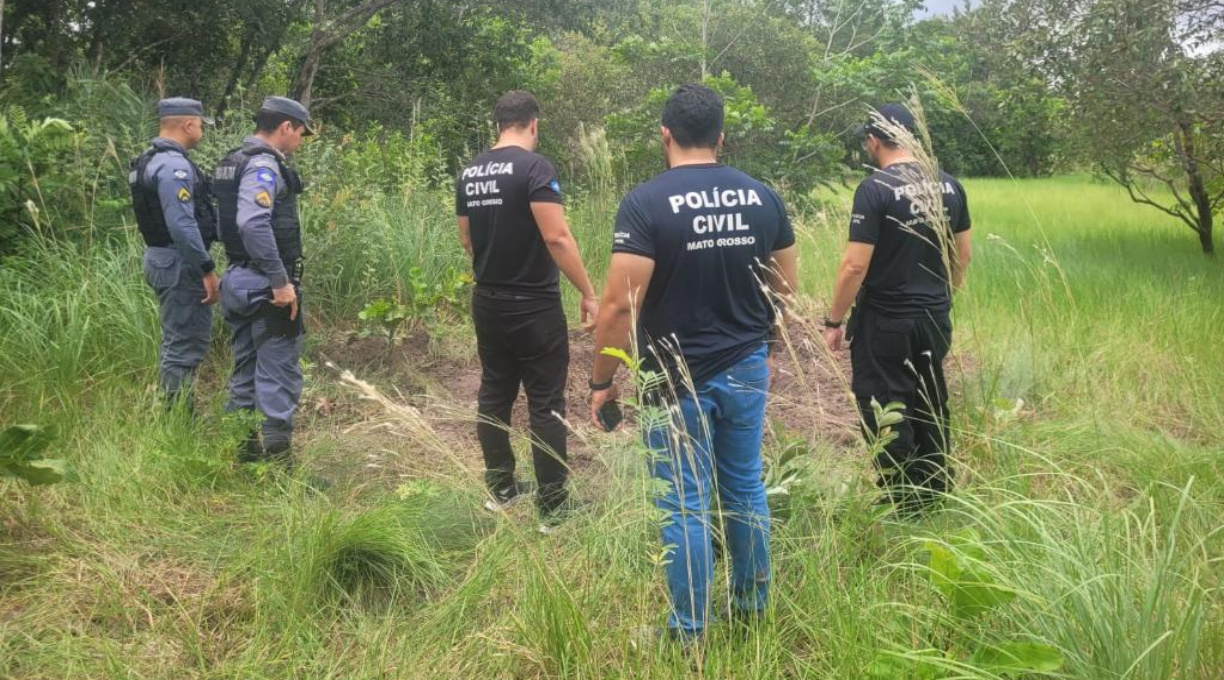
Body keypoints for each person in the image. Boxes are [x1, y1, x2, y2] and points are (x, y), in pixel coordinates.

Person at [588, 84, 798, 645]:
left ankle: (689, 632)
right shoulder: (763, 198)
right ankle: (752, 610)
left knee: (683, 502)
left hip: (674, 378)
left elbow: (616, 306)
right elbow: (786, 288)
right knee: (744, 487)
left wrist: (601, 381)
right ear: (721, 136)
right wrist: (760, 342)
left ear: (665, 135)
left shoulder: (646, 203)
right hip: (748, 365)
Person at [455, 90, 600, 528]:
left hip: (488, 300)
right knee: (545, 402)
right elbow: (557, 238)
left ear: (498, 123)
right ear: (533, 124)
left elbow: (467, 240)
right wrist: (588, 292)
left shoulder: (470, 172)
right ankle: (554, 508)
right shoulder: (535, 168)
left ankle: (500, 489)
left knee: (495, 393)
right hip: (534, 304)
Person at [822, 103, 972, 514]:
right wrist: (943, 298)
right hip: (935, 316)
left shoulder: (874, 189)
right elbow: (963, 255)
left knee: (886, 404)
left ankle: (903, 503)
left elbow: (855, 265)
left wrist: (833, 320)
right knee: (930, 400)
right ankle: (934, 494)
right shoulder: (950, 185)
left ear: (873, 140)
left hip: (885, 321)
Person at [212, 96, 313, 464]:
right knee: (278, 375)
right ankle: (278, 470)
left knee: (245, 371)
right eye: (301, 132)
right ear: (286, 127)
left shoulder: (230, 162)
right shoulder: (263, 165)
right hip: (264, 286)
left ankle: (245, 455)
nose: (300, 141)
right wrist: (279, 280)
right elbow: (252, 222)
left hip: (236, 278)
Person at [128, 98, 219, 413]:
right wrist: (206, 268)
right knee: (184, 345)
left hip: (162, 257)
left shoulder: (149, 159)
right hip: (179, 262)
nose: (202, 130)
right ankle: (177, 419)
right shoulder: (173, 166)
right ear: (189, 124)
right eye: (202, 124)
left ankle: (176, 412)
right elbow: (181, 225)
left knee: (177, 340)